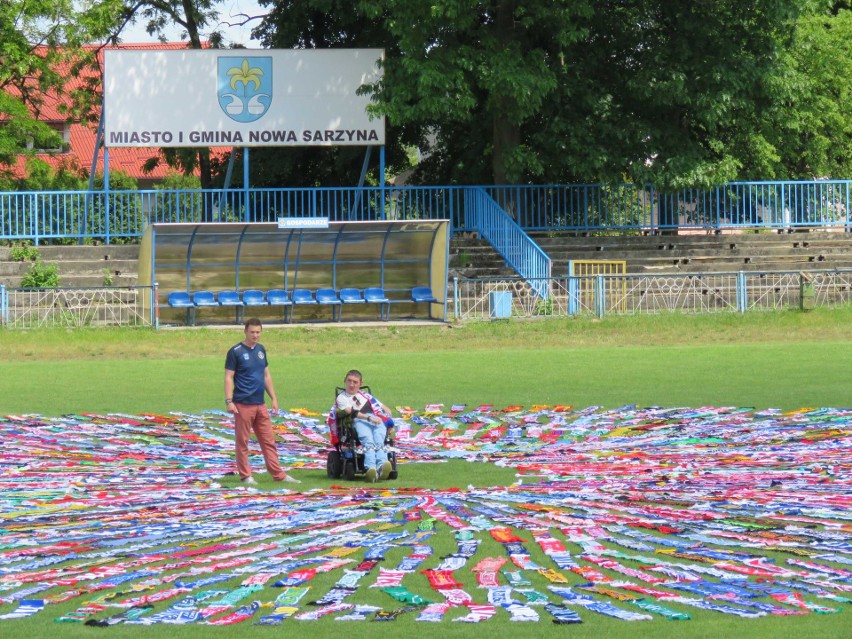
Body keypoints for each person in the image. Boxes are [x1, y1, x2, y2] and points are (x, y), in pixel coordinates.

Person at [224, 318, 300, 485]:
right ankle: (246, 475)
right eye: (252, 332)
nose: (255, 335)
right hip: (243, 404)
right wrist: (229, 401)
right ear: (245, 331)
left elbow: (266, 375)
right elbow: (229, 377)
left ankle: (278, 474)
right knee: (243, 441)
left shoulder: (261, 350)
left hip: (260, 404)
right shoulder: (235, 352)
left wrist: (273, 398)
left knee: (268, 440)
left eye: (258, 332)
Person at [335, 369, 393, 482]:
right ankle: (370, 468)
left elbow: (386, 409)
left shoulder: (366, 396)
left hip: (375, 419)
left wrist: (389, 422)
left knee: (379, 439)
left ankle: (382, 466)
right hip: (358, 420)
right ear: (345, 381)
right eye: (349, 381)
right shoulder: (342, 398)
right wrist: (369, 418)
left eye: (355, 382)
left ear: (360, 384)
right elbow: (351, 412)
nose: (351, 385)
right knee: (368, 440)